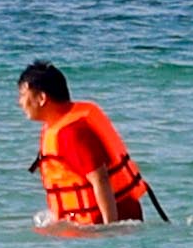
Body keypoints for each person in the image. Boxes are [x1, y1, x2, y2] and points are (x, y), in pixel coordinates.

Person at [17, 61, 151, 229]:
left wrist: (111, 231)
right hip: (88, 224)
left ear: (42, 98)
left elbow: (100, 180)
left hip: (101, 224)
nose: (20, 102)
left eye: (23, 95)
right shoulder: (57, 126)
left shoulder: (71, 132)